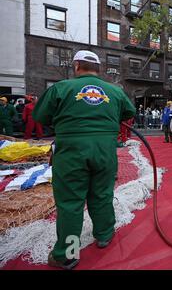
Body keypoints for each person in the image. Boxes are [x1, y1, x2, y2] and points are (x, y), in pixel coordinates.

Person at [32, 50, 136, 269]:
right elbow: (129, 111)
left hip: (72, 152)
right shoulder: (114, 91)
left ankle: (68, 254)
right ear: (98, 69)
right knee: (102, 195)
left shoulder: (61, 88)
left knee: (70, 203)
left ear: (77, 66)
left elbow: (40, 116)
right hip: (104, 153)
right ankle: (105, 234)